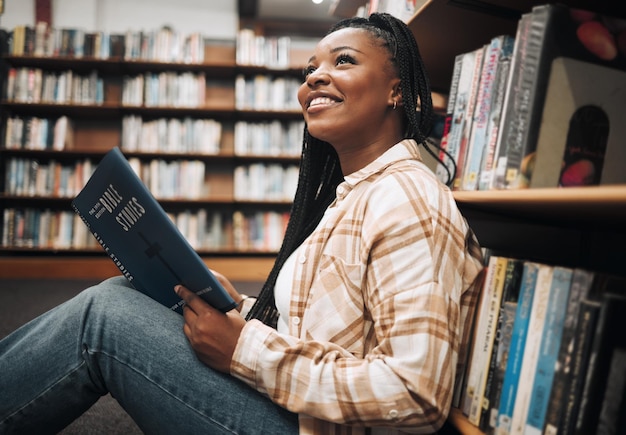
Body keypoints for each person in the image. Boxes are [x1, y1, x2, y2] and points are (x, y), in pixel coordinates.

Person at [0, 12, 484, 435]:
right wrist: (242, 308)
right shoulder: (356, 193)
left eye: (343, 61)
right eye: (309, 68)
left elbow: (415, 393)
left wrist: (245, 350)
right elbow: (340, 331)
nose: (315, 77)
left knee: (102, 316)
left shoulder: (408, 200)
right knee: (124, 297)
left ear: (397, 90)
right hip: (298, 412)